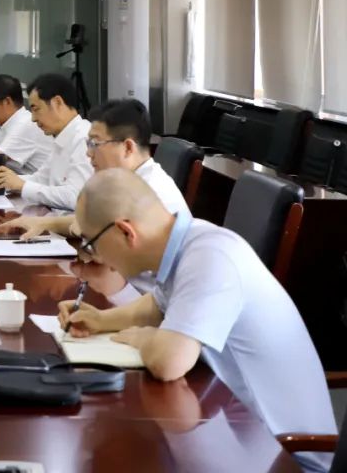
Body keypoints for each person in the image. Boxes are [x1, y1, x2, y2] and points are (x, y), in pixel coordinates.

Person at [60, 169, 335, 473]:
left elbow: (168, 362)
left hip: (288, 457)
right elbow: (157, 305)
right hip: (239, 435)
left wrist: (142, 337)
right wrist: (101, 320)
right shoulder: (188, 243)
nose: (93, 257)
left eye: (93, 245)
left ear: (126, 232)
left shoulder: (211, 257)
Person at [2, 98, 188, 303]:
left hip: (145, 302)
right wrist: (45, 223)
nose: (88, 153)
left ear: (127, 147)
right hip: (121, 292)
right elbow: (91, 223)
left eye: (95, 144)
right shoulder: (125, 180)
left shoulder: (152, 195)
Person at [0, 72, 93, 210]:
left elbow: (76, 197)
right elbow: (41, 179)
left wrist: (22, 186)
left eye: (36, 109)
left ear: (57, 103)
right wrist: (6, 180)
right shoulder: (62, 138)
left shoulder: (84, 138)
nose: (33, 119)